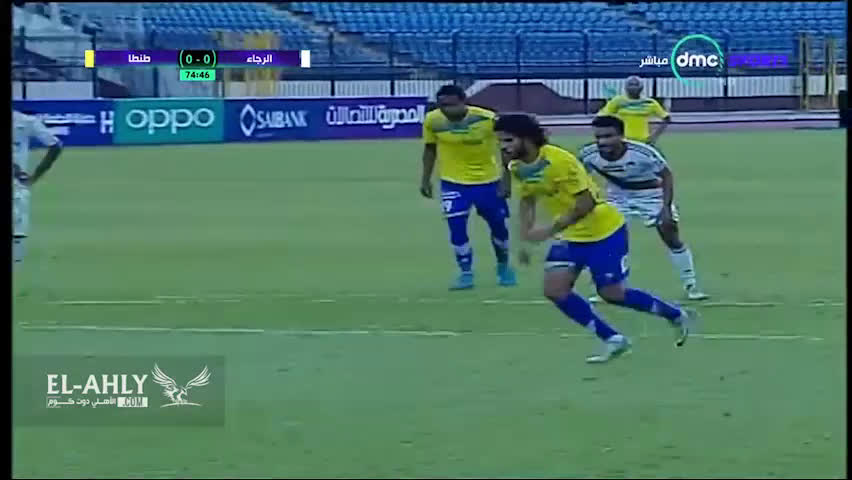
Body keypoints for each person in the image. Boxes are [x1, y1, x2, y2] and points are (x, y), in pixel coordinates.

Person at [495, 113, 694, 364]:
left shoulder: (560, 161)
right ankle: (613, 339)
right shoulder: (518, 167)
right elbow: (527, 198)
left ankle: (675, 315)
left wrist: (548, 231)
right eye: (500, 141)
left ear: (526, 138)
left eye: (508, 140)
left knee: (611, 293)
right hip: (570, 236)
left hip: (604, 231)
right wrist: (525, 237)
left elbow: (586, 203)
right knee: (555, 291)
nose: (503, 147)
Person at [581, 115, 709, 302]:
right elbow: (579, 177)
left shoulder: (642, 152)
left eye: (608, 136)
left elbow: (666, 176)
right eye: (598, 137)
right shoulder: (588, 154)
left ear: (621, 136)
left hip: (651, 195)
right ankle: (607, 287)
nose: (603, 142)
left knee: (670, 235)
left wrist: (665, 208)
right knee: (607, 241)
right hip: (618, 197)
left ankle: (691, 285)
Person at [421, 85, 516, 290]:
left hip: (488, 182)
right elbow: (430, 149)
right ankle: (466, 273)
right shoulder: (432, 121)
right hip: (453, 182)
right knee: (456, 228)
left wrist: (506, 179)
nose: (447, 110)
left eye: (451, 105)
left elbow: (507, 149)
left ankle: (503, 266)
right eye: (442, 106)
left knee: (499, 227)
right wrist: (425, 179)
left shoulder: (486, 119)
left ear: (464, 102)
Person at [13, 110, 63, 267]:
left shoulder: (25, 121)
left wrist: (35, 176)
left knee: (17, 221)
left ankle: (17, 262)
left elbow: (55, 146)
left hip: (16, 183)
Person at [598, 76, 671, 145]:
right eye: (631, 87)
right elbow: (602, 117)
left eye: (635, 87)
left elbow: (666, 118)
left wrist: (654, 136)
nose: (633, 90)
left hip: (643, 141)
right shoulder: (618, 101)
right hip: (623, 141)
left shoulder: (649, 102)